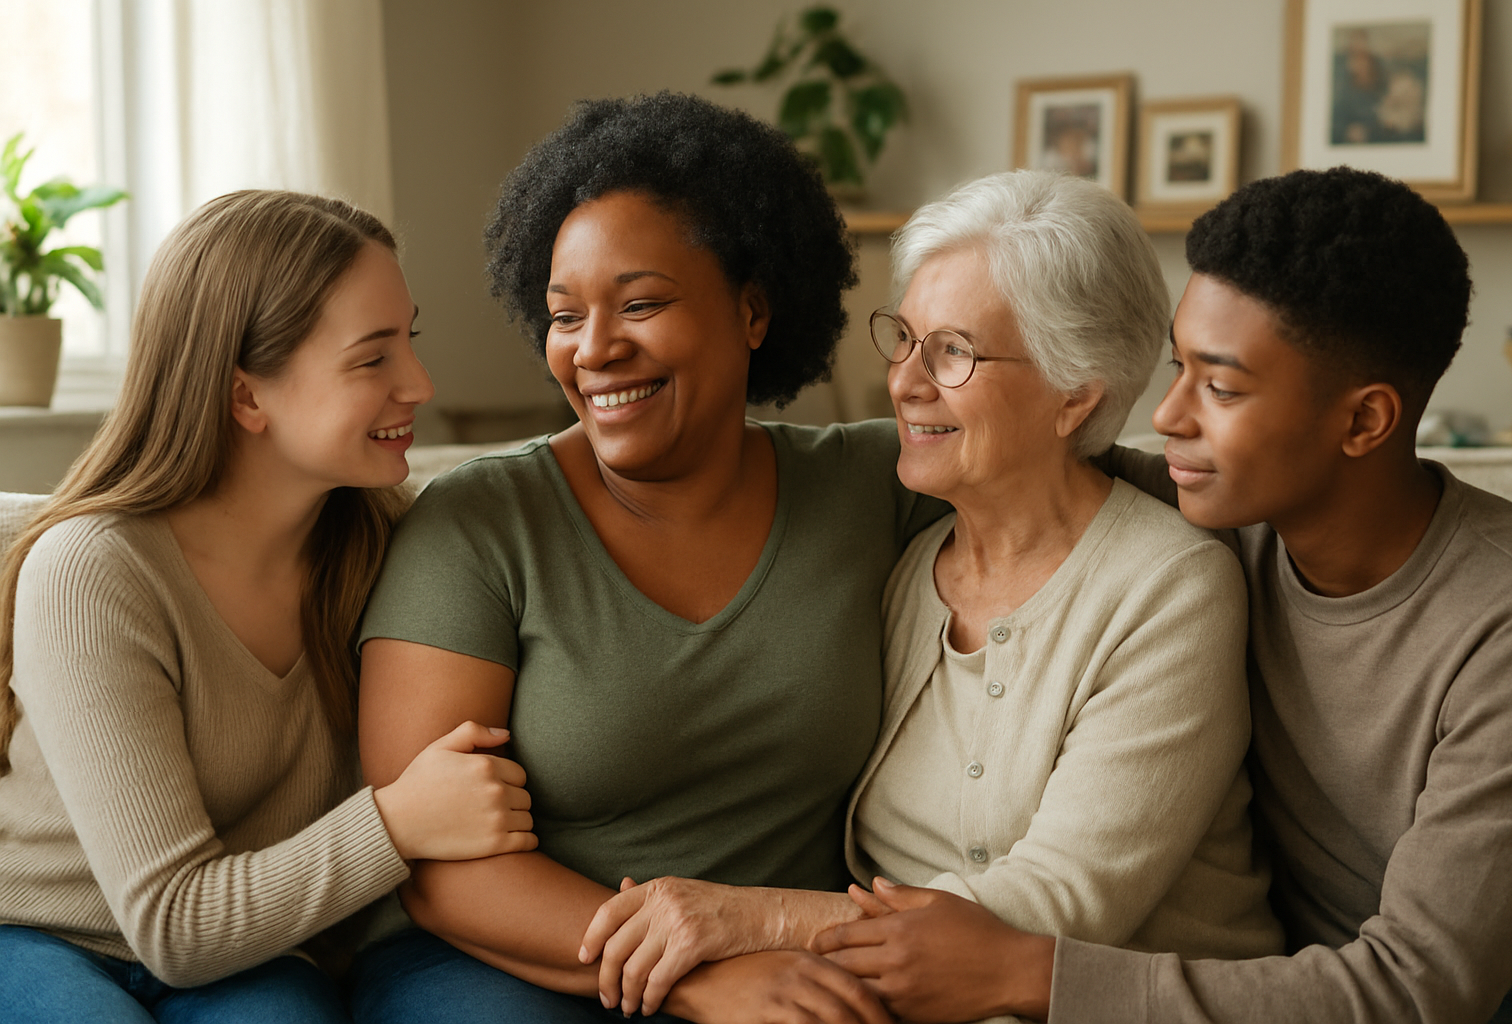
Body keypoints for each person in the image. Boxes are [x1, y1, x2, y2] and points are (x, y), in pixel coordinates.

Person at [805, 168, 1512, 1024]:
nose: (1171, 415)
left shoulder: (1510, 630)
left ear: (1364, 422)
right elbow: (1033, 462)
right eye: (1178, 367)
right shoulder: (1221, 505)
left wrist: (1030, 975)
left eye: (1221, 389)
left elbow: (1418, 993)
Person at [577, 170, 1284, 1018]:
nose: (906, 384)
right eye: (903, 339)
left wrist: (748, 917)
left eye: (954, 352)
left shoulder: (1170, 589)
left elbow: (1056, 907)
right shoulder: (910, 568)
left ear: (1077, 396)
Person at [348, 92, 947, 1024]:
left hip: (789, 964)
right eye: (564, 316)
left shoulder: (876, 484)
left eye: (641, 304)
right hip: (513, 973)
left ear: (752, 310)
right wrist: (702, 975)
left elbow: (1072, 470)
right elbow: (438, 870)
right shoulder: (479, 525)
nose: (596, 350)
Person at [0, 190, 536, 1024]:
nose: (421, 384)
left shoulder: (393, 544)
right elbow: (173, 924)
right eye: (372, 359)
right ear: (247, 397)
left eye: (410, 341)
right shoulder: (92, 572)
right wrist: (397, 823)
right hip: (46, 935)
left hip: (257, 942)